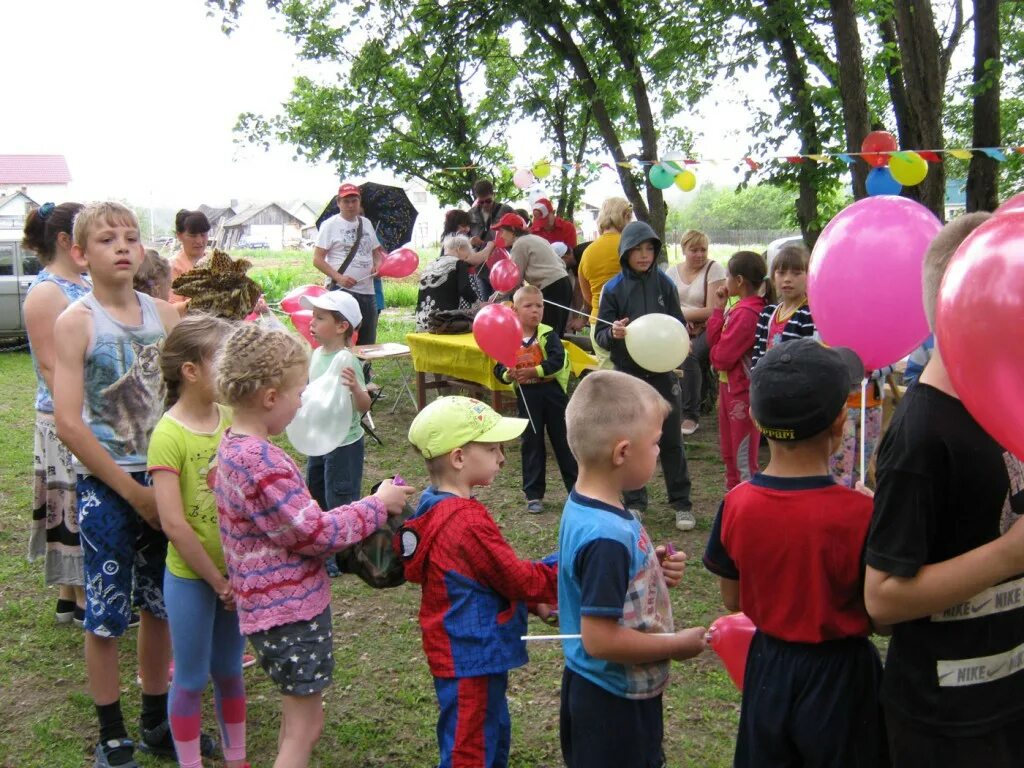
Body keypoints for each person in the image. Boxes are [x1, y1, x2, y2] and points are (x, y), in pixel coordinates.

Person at [213, 322, 413, 768]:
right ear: (269, 398)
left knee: (295, 720)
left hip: (265, 610)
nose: (303, 400)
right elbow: (314, 533)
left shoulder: (233, 449)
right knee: (305, 730)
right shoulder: (262, 461)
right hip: (290, 613)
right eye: (299, 391)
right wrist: (376, 505)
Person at [864, 212, 1024, 768]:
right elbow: (882, 600)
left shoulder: (1003, 403)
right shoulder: (921, 434)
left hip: (1008, 696)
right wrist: (1008, 554)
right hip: (944, 721)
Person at [703, 338, 887, 768]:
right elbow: (882, 617)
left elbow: (734, 599)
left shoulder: (736, 503)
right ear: (841, 421)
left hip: (768, 667)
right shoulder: (861, 513)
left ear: (754, 417)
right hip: (843, 678)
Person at [52, 202, 182, 768]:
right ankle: (112, 734)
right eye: (107, 240)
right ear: (81, 254)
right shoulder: (75, 322)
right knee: (106, 612)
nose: (123, 247)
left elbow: (184, 400)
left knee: (162, 605)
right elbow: (69, 422)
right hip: (108, 488)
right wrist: (133, 494)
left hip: (165, 479)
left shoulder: (165, 316)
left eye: (131, 237)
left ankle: (156, 721)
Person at [400, 395, 558, 768]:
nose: (502, 457)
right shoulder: (466, 522)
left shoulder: (432, 503)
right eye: (492, 448)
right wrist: (572, 563)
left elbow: (486, 578)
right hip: (471, 654)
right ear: (458, 458)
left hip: (461, 650)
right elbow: (516, 578)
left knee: (486, 732)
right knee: (471, 750)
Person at [558, 370, 706, 768]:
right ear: (622, 452)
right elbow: (600, 640)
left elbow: (596, 578)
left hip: (597, 689)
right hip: (612, 701)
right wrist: (677, 644)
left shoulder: (588, 505)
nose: (660, 452)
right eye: (656, 443)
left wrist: (647, 567)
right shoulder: (606, 537)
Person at [148, 314, 247, 768]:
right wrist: (216, 581)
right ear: (191, 371)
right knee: (189, 678)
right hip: (191, 578)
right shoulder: (168, 436)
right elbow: (175, 524)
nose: (233, 370)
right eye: (223, 361)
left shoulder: (232, 418)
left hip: (235, 577)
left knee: (230, 671)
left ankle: (237, 757)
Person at [595, 221, 694, 530]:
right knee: (632, 439)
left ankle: (682, 503)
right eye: (637, 249)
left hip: (663, 375)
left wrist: (680, 345)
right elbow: (599, 334)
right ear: (625, 252)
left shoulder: (665, 285)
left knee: (671, 439)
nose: (644, 255)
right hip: (629, 376)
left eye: (649, 248)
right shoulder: (612, 289)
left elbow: (677, 324)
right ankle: (635, 501)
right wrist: (613, 332)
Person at [22, 201, 89, 624]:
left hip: (81, 413)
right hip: (67, 417)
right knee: (75, 505)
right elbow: (51, 367)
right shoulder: (48, 291)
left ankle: (69, 596)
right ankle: (85, 601)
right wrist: (83, 417)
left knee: (72, 504)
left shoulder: (80, 283)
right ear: (66, 240)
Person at [493, 284, 578, 514]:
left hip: (553, 394)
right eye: (528, 305)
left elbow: (557, 361)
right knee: (531, 443)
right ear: (515, 310)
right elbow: (498, 367)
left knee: (563, 441)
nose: (535, 310)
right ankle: (533, 494)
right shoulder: (508, 337)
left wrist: (536, 371)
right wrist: (506, 374)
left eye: (539, 305)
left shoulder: (548, 334)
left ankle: (577, 490)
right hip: (527, 396)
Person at [706, 250, 772, 491]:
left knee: (742, 457)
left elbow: (721, 357)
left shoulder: (747, 314)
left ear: (740, 280)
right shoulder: (739, 309)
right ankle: (733, 501)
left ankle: (748, 504)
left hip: (742, 392)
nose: (725, 282)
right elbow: (714, 344)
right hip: (729, 388)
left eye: (727, 276)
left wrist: (715, 355)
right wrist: (717, 309)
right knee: (729, 453)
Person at [298, 290, 370, 511]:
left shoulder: (346, 360)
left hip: (343, 444)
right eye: (313, 316)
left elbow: (364, 406)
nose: (312, 322)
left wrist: (356, 389)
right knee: (317, 494)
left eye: (320, 318)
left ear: (341, 327)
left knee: (340, 500)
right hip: (319, 439)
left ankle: (345, 543)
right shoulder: (317, 354)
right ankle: (325, 539)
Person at [312, 183, 388, 350]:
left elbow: (377, 252)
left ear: (359, 202)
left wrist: (378, 265)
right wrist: (339, 278)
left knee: (368, 340)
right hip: (342, 291)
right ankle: (340, 373)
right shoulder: (330, 225)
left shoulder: (366, 223)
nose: (351, 205)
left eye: (354, 200)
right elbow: (317, 259)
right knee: (340, 338)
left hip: (367, 291)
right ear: (338, 202)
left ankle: (364, 376)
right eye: (346, 201)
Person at [668, 230, 727, 435]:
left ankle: (690, 415)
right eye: (694, 250)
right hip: (678, 326)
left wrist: (682, 315)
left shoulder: (714, 269)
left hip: (709, 327)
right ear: (683, 249)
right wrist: (680, 321)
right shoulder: (671, 273)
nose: (700, 254)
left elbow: (712, 309)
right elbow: (666, 307)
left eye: (703, 249)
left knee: (690, 354)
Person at [493, 212, 573, 337]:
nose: (501, 236)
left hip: (551, 287)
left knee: (546, 333)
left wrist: (495, 297)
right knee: (557, 332)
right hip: (564, 283)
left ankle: (549, 356)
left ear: (513, 230)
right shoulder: (536, 238)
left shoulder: (519, 244)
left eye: (503, 231)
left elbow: (513, 279)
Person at [578, 197, 632, 368]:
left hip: (598, 322)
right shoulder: (630, 247)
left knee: (608, 380)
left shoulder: (588, 252)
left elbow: (586, 294)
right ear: (626, 216)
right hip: (629, 322)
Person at [751, 242, 816, 366]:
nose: (787, 279)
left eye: (796, 273)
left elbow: (811, 358)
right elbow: (758, 352)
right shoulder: (767, 314)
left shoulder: (808, 315)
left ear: (809, 277)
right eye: (781, 273)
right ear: (773, 279)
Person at [414, 233, 488, 332]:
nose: (465, 259)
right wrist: (478, 304)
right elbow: (464, 289)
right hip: (441, 321)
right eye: (466, 256)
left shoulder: (430, 265)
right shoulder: (458, 263)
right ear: (459, 249)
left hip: (422, 321)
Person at [168, 210, 211, 313]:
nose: (199, 241)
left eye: (203, 234)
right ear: (179, 236)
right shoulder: (172, 267)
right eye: (193, 235)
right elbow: (171, 310)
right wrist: (203, 300)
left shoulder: (215, 260)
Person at [467, 179, 513, 246]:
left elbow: (519, 231)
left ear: (493, 195)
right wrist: (470, 241)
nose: (485, 205)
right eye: (481, 202)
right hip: (479, 253)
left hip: (502, 252)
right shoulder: (471, 213)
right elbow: (462, 235)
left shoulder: (506, 210)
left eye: (488, 201)